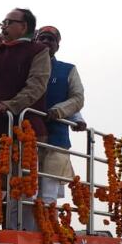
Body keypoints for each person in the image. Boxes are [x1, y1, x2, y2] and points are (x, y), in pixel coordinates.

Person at [0, 7, 51, 229]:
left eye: (8, 22)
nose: (2, 26)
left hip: (23, 130)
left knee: (20, 188)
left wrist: (11, 105)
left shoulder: (38, 51)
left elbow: (36, 86)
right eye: (2, 22)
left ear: (24, 27)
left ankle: (18, 236)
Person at [33, 25, 85, 205]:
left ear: (58, 45)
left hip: (56, 141)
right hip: (27, 138)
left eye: (51, 39)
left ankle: (46, 232)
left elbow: (77, 99)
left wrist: (58, 112)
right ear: (35, 41)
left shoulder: (67, 70)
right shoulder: (26, 66)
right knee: (26, 192)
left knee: (48, 195)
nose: (46, 42)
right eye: (42, 38)